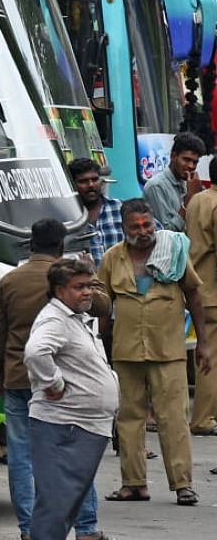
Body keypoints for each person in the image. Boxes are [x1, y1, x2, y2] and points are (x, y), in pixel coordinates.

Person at [0, 220, 111, 540]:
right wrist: (90, 273)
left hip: (18, 380)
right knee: (74, 457)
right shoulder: (74, 280)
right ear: (61, 246)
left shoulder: (10, 281)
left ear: (31, 244)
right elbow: (104, 306)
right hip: (65, 385)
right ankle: (86, 528)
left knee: (22, 457)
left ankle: (30, 529)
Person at [99, 199, 211, 505]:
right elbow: (102, 307)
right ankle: (133, 484)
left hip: (168, 351)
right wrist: (99, 345)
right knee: (128, 418)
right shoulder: (112, 258)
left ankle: (183, 485)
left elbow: (194, 295)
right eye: (135, 226)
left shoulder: (172, 252)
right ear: (123, 228)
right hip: (126, 351)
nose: (143, 231)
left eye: (147, 224)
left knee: (173, 418)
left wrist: (203, 343)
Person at [24, 258, 120, 540]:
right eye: (79, 287)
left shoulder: (73, 317)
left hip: (82, 426)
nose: (87, 292)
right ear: (59, 290)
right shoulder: (55, 319)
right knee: (55, 507)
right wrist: (52, 382)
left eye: (89, 285)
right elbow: (35, 352)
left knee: (64, 506)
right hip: (65, 425)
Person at [183, 157, 217, 436]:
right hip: (213, 291)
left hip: (197, 286)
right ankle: (204, 418)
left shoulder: (197, 200)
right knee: (212, 358)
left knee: (206, 355)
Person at [142, 132, 204, 233]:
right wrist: (188, 201)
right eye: (186, 160)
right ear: (173, 156)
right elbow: (166, 234)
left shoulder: (187, 183)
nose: (191, 166)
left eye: (195, 162)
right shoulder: (156, 186)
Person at [69, 158, 124, 267]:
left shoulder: (121, 209)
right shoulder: (67, 217)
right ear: (72, 184)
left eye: (95, 179)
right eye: (83, 181)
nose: (91, 185)